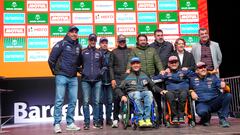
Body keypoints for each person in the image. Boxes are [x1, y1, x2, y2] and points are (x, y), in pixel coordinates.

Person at [48, 26, 82, 133]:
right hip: (61, 76)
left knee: (73, 101)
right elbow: (51, 60)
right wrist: (56, 72)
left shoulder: (79, 46)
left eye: (76, 32)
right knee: (59, 100)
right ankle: (57, 124)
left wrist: (78, 69)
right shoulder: (61, 43)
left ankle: (70, 123)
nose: (74, 34)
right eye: (72, 32)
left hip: (73, 78)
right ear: (68, 33)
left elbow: (78, 62)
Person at [116, 57, 162, 127]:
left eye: (137, 63)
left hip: (143, 92)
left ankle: (147, 118)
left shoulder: (144, 74)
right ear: (131, 65)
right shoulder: (127, 76)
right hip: (132, 93)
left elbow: (153, 85)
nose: (135, 65)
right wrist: (122, 95)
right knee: (137, 94)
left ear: (140, 65)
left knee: (149, 93)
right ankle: (140, 119)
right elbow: (118, 88)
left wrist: (161, 90)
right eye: (133, 63)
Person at [152, 56, 195, 122]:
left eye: (175, 62)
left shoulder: (184, 71)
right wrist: (162, 72)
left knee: (183, 94)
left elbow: (195, 75)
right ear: (168, 64)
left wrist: (192, 90)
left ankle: (181, 115)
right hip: (171, 92)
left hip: (183, 91)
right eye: (171, 63)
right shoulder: (166, 73)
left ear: (178, 63)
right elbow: (153, 80)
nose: (174, 64)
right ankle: (174, 115)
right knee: (169, 94)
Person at [190, 62, 232, 128]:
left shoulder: (213, 77)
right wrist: (191, 92)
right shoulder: (192, 79)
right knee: (202, 112)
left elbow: (225, 89)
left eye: (204, 67)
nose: (203, 69)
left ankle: (223, 119)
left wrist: (224, 86)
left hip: (214, 102)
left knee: (228, 95)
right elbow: (187, 88)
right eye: (200, 68)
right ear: (196, 71)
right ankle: (206, 118)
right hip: (202, 103)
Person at [81, 33, 103, 130]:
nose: (93, 41)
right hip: (85, 80)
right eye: (91, 40)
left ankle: (96, 122)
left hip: (97, 80)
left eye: (94, 40)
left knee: (96, 102)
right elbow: (77, 64)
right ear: (88, 41)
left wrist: (100, 73)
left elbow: (105, 65)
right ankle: (86, 123)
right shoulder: (83, 52)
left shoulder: (100, 52)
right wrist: (83, 72)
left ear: (96, 41)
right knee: (85, 102)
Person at [110, 34, 131, 128]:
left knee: (129, 99)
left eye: (123, 41)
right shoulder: (113, 52)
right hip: (117, 78)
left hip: (128, 78)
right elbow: (110, 67)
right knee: (117, 99)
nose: (122, 43)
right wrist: (112, 79)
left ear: (125, 42)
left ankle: (128, 119)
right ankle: (115, 119)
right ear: (117, 42)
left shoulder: (130, 51)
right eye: (120, 41)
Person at [98, 37, 113, 126]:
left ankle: (108, 119)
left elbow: (112, 66)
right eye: (102, 43)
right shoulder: (96, 53)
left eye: (106, 43)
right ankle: (100, 119)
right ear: (99, 44)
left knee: (110, 101)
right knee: (99, 101)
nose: (104, 44)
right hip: (99, 80)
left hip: (110, 80)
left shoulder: (111, 54)